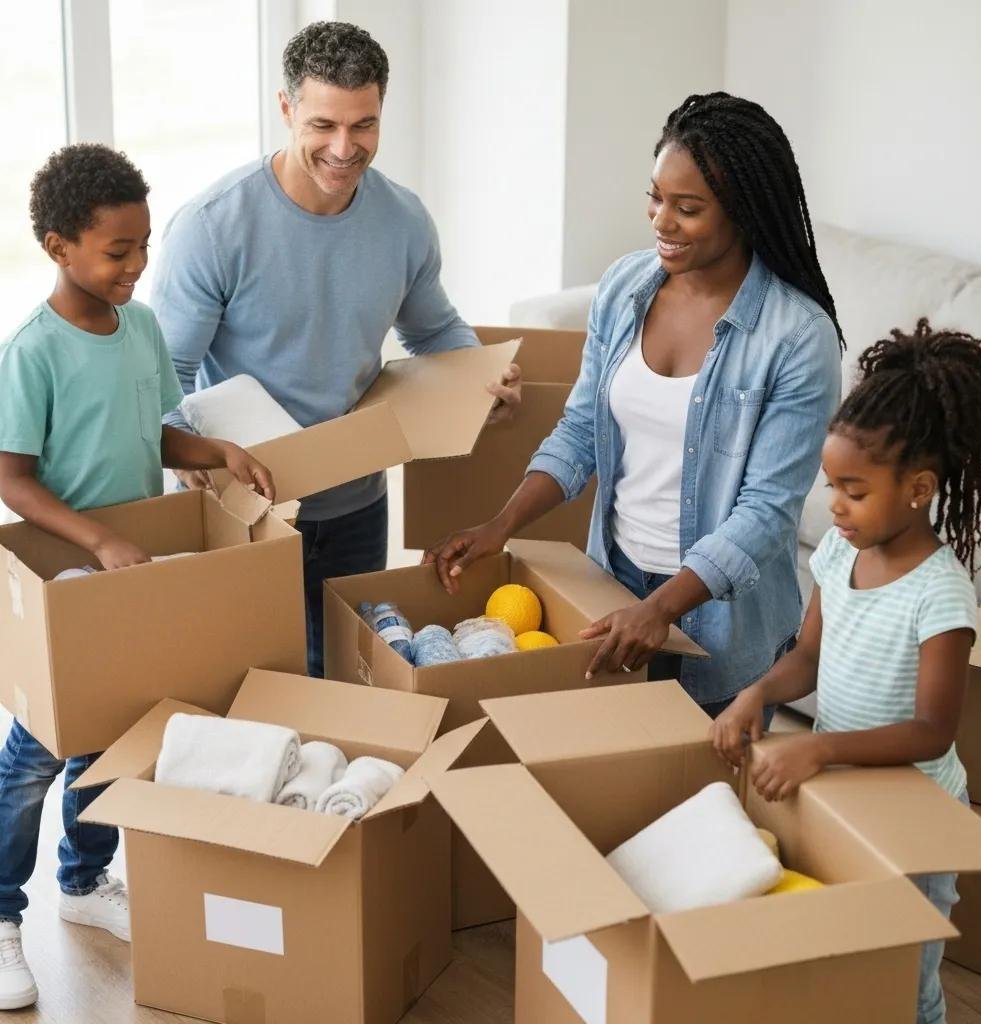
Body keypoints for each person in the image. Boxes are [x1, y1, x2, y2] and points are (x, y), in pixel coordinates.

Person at [426, 92, 842, 720]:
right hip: (612, 584)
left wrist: (663, 608)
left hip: (722, 622)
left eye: (688, 208)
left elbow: (767, 513)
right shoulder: (625, 288)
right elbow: (582, 426)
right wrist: (500, 525)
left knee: (708, 804)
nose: (661, 221)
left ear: (744, 212)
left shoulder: (795, 337)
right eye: (655, 197)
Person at [150, 21, 520, 678]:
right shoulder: (213, 227)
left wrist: (482, 377)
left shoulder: (402, 221)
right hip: (250, 513)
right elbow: (165, 376)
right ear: (286, 108)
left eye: (364, 125)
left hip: (356, 507)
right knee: (252, 687)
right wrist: (191, 464)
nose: (344, 148)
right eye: (323, 124)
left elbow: (433, 332)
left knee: (348, 687)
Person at [0, 144, 274, 1011]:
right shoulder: (33, 352)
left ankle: (83, 880)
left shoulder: (144, 328)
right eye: (117, 251)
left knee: (113, 740)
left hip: (134, 576)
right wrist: (96, 542)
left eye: (143, 245)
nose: (136, 265)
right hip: (70, 581)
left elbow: (156, 431)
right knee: (37, 753)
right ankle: (3, 918)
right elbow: (10, 475)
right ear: (58, 247)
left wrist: (216, 449)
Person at [712, 319, 981, 1024]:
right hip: (845, 797)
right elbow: (809, 659)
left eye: (853, 489)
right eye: (831, 487)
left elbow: (932, 731)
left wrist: (816, 745)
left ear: (917, 488)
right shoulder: (840, 557)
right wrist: (757, 692)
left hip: (916, 817)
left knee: (906, 986)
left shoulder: (942, 593)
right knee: (844, 964)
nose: (834, 506)